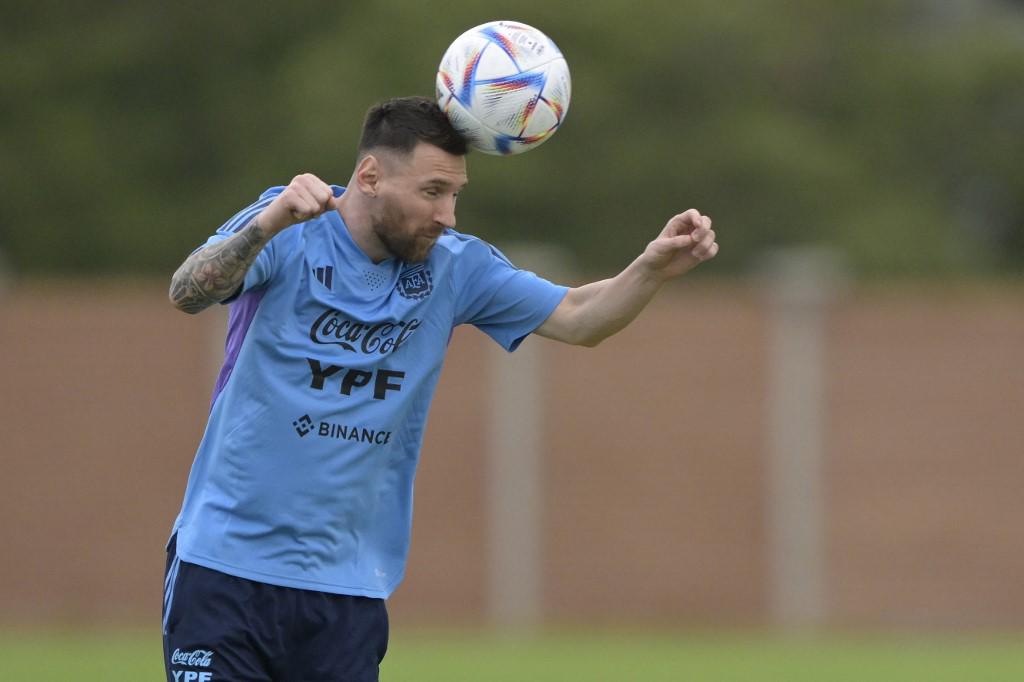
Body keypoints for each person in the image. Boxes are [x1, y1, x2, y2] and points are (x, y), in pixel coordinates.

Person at [163, 95, 718, 682]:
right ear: (370, 176)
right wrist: (268, 223)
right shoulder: (289, 226)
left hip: (345, 591)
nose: (448, 214)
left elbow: (581, 317)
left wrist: (651, 269)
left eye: (456, 194)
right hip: (223, 569)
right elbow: (188, 291)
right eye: (432, 192)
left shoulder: (455, 267)